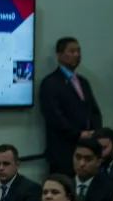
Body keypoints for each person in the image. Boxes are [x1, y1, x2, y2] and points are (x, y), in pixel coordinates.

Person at [39, 37, 102, 176]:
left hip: (87, 149)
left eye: (79, 51)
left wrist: (95, 133)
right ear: (59, 55)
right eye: (72, 51)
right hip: (63, 152)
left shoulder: (83, 82)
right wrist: (78, 134)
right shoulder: (50, 83)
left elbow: (94, 111)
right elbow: (54, 116)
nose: (77, 55)